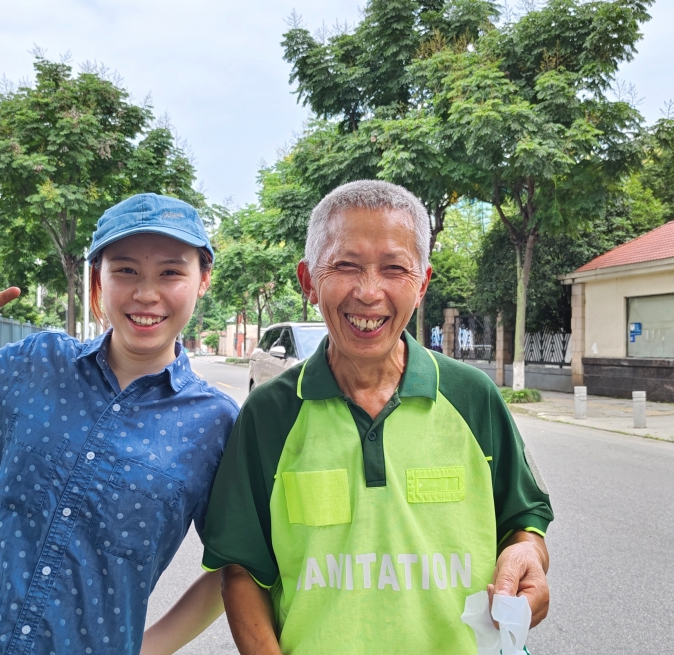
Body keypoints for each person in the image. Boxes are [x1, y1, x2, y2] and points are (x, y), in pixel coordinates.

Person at [200, 181, 554, 654]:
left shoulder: (473, 398)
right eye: (345, 266)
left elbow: (523, 522)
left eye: (394, 269)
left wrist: (527, 553)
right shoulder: (270, 415)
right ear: (308, 281)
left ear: (422, 282)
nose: (369, 293)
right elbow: (242, 571)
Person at [0, 194, 238, 655]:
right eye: (125, 270)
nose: (146, 294)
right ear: (98, 280)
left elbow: (232, 566)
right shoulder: (41, 361)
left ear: (203, 280)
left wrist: (145, 647)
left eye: (171, 272)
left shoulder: (213, 423)